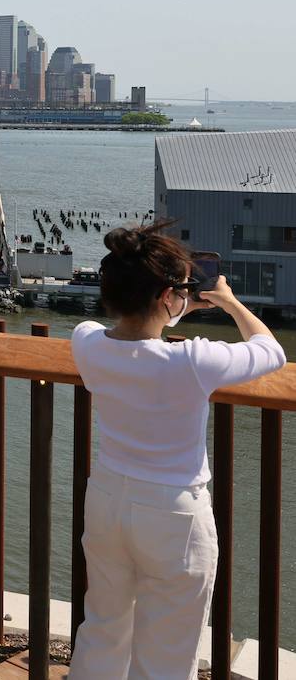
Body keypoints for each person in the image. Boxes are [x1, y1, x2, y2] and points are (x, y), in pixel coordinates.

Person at [68, 223, 286, 678]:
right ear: (168, 296)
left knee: (104, 627)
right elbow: (270, 351)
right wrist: (226, 300)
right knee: (168, 647)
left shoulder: (86, 341)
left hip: (107, 497)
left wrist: (175, 296)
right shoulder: (192, 361)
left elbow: (123, 333)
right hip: (173, 513)